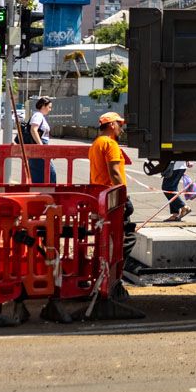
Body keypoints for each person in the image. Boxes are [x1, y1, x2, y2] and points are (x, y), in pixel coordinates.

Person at [88, 111, 139, 275]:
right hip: (112, 198)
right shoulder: (111, 144)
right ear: (111, 125)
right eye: (120, 125)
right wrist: (124, 197)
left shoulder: (96, 143)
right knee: (126, 237)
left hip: (101, 196)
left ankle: (105, 270)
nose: (121, 129)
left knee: (107, 236)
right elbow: (115, 172)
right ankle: (113, 272)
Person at [27, 96, 56, 184]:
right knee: (49, 172)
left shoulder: (39, 116)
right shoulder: (38, 115)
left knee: (40, 173)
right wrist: (42, 147)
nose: (50, 109)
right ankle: (49, 193)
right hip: (39, 146)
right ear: (43, 105)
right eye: (49, 107)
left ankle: (42, 193)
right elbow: (33, 130)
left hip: (39, 146)